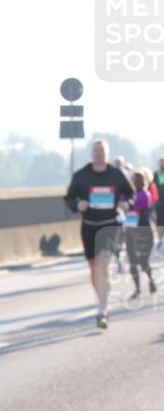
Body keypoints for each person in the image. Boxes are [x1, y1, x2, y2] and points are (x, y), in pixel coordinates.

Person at [64, 140, 135, 329]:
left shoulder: (116, 174)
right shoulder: (81, 175)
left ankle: (102, 311)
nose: (98, 153)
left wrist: (126, 203)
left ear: (108, 153)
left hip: (109, 225)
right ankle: (103, 297)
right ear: (91, 153)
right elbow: (69, 197)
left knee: (103, 265)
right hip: (89, 226)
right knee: (94, 270)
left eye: (102, 150)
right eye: (95, 150)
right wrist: (77, 205)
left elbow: (130, 193)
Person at [124, 170, 157, 297]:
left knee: (143, 261)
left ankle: (151, 280)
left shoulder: (145, 194)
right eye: (133, 179)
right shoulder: (128, 195)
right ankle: (137, 288)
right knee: (132, 261)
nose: (134, 182)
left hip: (144, 231)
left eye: (137, 179)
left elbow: (143, 215)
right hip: (130, 231)